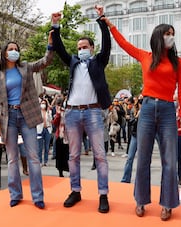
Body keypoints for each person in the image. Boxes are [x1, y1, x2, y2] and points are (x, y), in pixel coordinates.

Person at [103, 16, 181, 221]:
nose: (171, 38)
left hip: (168, 109)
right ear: (159, 37)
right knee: (143, 158)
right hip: (148, 108)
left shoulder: (179, 63)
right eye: (167, 34)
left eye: (173, 35)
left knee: (170, 159)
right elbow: (124, 44)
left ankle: (167, 204)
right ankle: (141, 200)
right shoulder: (145, 57)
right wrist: (111, 26)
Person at [51, 6, 111, 213]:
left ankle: (103, 195)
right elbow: (59, 49)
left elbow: (107, 43)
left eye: (84, 46)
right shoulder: (74, 63)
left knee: (100, 155)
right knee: (73, 155)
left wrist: (101, 19)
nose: (81, 50)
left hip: (93, 112)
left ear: (92, 48)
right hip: (73, 112)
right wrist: (55, 26)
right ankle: (75, 190)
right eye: (78, 47)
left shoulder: (98, 61)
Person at [0, 34, 54, 209]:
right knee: (12, 159)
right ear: (4, 53)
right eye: (10, 49)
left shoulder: (25, 67)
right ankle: (15, 194)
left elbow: (44, 62)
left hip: (27, 116)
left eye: (16, 49)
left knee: (33, 157)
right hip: (8, 118)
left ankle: (38, 197)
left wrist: (50, 44)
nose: (14, 52)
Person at [37, 98, 52, 166]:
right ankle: (40, 160)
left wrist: (48, 112)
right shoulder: (38, 112)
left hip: (47, 129)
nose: (43, 105)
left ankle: (45, 161)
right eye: (42, 103)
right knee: (40, 146)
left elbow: (51, 120)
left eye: (44, 104)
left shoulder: (48, 112)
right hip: (40, 129)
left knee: (46, 146)